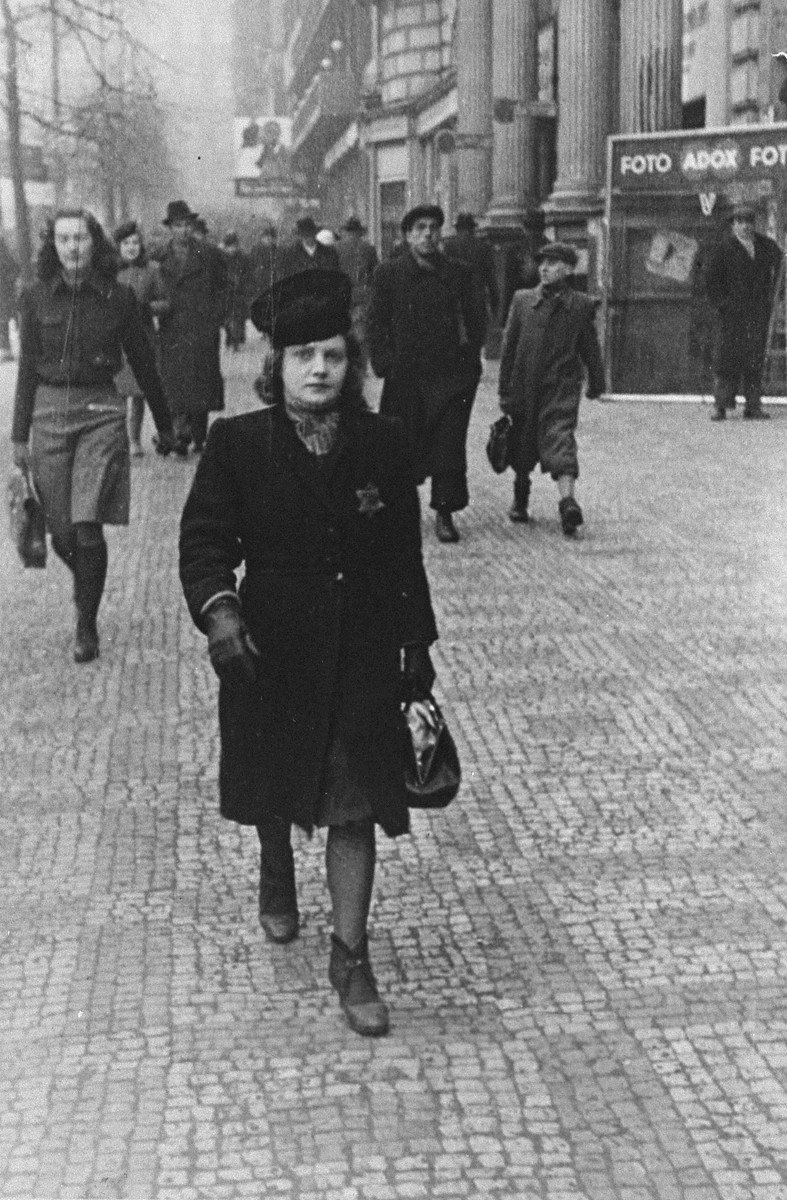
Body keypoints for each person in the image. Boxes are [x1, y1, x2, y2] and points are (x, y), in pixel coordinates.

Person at [179, 269, 438, 1038]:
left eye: (331, 355)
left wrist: (414, 651)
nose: (318, 369)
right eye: (302, 356)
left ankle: (350, 957)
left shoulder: (384, 444)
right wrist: (220, 613)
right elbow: (203, 545)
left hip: (360, 647)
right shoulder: (237, 445)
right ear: (277, 367)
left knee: (355, 801)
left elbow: (402, 556)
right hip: (270, 648)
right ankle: (275, 862)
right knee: (277, 779)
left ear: (349, 364)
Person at [11, 209, 175, 663]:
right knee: (61, 529)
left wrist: (165, 422)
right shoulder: (34, 296)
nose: (72, 247)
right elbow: (25, 371)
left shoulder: (119, 297)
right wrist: (18, 437)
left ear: (93, 243)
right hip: (48, 414)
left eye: (79, 238)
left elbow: (143, 361)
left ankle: (86, 622)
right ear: (53, 245)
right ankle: (85, 587)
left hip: (102, 412)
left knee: (86, 524)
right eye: (63, 240)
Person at [366, 203, 486, 544]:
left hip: (450, 377)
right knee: (399, 444)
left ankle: (444, 514)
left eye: (433, 227)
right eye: (419, 228)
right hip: (405, 375)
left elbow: (477, 318)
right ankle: (398, 512)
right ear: (407, 235)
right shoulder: (389, 273)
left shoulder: (458, 272)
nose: (428, 234)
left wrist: (470, 363)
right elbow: (375, 322)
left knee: (448, 446)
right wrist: (385, 362)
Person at [498, 241, 606, 535]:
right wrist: (504, 391)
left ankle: (568, 503)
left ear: (569, 269)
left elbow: (589, 348)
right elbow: (509, 349)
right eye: (541, 262)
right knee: (523, 445)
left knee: (561, 440)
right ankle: (520, 498)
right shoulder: (522, 300)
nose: (544, 268)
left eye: (553, 263)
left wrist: (597, 382)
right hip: (525, 386)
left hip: (561, 388)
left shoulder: (580, 306)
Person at [157, 200, 227, 455]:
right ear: (170, 228)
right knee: (175, 384)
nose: (183, 230)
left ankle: (199, 435)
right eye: (178, 225)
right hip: (172, 328)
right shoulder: (159, 257)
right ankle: (180, 434)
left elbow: (225, 287)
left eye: (187, 225)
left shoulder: (209, 254)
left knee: (202, 383)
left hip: (202, 328)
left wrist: (216, 315)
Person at [704, 202, 782, 421]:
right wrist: (723, 305)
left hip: (758, 313)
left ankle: (753, 406)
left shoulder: (766, 246)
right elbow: (711, 281)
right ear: (733, 225)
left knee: (755, 359)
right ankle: (721, 406)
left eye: (749, 222)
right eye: (740, 222)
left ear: (753, 224)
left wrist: (776, 297)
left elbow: (781, 268)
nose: (745, 227)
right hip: (732, 316)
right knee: (727, 359)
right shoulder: (723, 249)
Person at [113, 220, 171, 456]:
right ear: (118, 246)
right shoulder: (109, 271)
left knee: (138, 392)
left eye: (135, 242)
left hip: (142, 337)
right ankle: (117, 441)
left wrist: (147, 308)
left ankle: (134, 440)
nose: (131, 247)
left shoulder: (152, 270)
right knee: (116, 394)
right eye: (126, 243)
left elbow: (166, 301)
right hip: (114, 340)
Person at [335, 215, 379, 368]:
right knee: (361, 337)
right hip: (363, 297)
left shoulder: (335, 248)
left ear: (345, 231)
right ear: (360, 232)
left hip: (341, 297)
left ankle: (344, 365)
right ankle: (360, 366)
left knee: (342, 333)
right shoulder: (369, 248)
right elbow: (375, 275)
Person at [442, 212, 499, 323]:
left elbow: (444, 276)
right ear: (472, 228)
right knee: (476, 338)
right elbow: (492, 280)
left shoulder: (449, 246)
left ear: (458, 228)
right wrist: (494, 308)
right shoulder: (483, 246)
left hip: (455, 304)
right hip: (477, 303)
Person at [220, 231, 252, 351]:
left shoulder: (243, 257)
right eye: (229, 247)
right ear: (226, 247)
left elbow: (248, 273)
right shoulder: (221, 257)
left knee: (239, 316)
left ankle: (237, 339)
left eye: (234, 246)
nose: (232, 249)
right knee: (227, 317)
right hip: (226, 291)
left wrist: (245, 285)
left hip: (240, 291)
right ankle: (229, 336)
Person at [0, 234, 20, 362]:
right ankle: (6, 348)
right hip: (5, 288)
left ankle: (7, 349)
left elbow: (11, 266)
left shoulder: (1, 244)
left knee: (6, 317)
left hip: (5, 288)